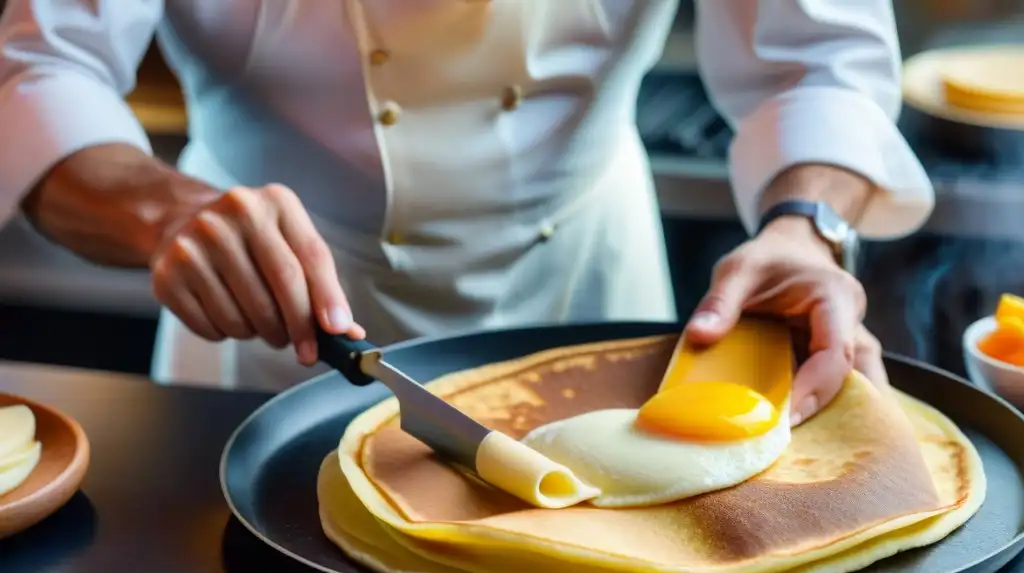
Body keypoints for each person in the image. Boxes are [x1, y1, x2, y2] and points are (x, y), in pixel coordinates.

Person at [0, 1, 933, 424]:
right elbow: (38, 68)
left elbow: (817, 58)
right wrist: (167, 212)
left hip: (587, 284)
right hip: (265, 328)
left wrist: (805, 227)